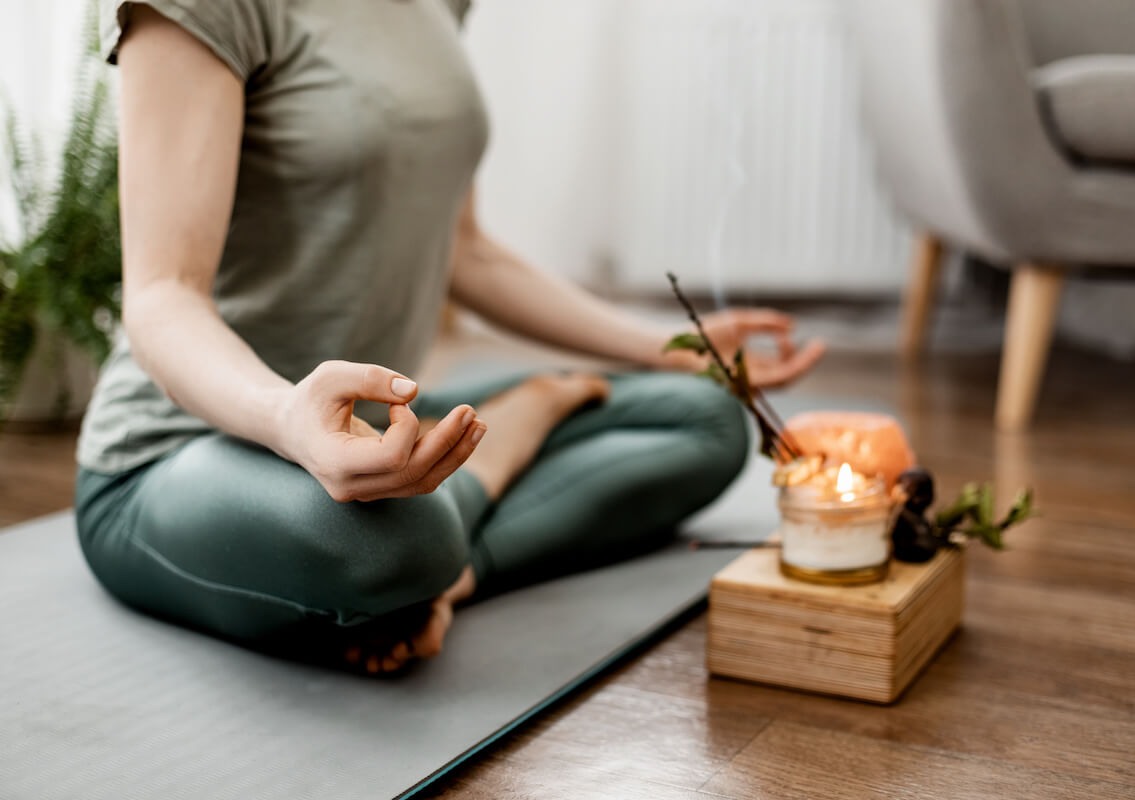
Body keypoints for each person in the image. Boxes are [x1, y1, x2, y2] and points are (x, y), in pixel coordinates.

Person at [76, 0, 824, 675]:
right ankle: (461, 515)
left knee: (706, 420)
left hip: (366, 430)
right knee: (396, 545)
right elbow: (161, 296)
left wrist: (669, 346)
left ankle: (445, 565)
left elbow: (468, 251)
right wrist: (285, 419)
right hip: (179, 447)